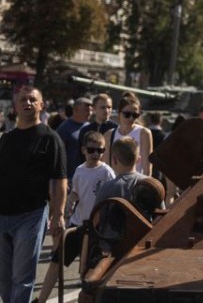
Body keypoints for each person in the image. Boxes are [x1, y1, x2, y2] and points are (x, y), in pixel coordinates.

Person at [0, 87, 66, 303]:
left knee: (22, 277)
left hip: (31, 215)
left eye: (32, 99)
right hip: (2, 214)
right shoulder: (6, 139)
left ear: (41, 105)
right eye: (23, 100)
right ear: (15, 106)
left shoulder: (50, 139)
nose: (28, 103)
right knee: (4, 278)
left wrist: (58, 213)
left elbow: (59, 180)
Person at [36, 130, 115, 303]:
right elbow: (77, 193)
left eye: (100, 151)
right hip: (78, 224)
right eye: (92, 150)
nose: (96, 154)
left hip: (96, 228)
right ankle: (40, 299)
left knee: (87, 270)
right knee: (57, 261)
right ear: (83, 150)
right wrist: (69, 202)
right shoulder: (79, 170)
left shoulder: (106, 172)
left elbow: (110, 199)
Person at [103, 92, 153, 177]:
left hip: (136, 183)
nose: (131, 118)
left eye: (135, 115)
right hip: (115, 184)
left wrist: (144, 187)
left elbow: (147, 168)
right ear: (119, 113)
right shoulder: (109, 134)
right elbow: (106, 166)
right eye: (127, 114)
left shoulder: (144, 133)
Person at [56, 96, 93, 182]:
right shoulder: (64, 129)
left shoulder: (89, 127)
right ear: (75, 110)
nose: (90, 113)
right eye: (86, 110)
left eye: (91, 110)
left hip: (87, 177)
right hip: (70, 178)